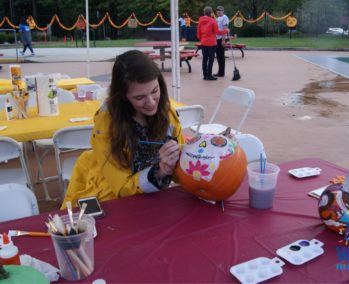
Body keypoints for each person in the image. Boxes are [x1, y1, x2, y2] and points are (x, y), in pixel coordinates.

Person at [61, 50, 184, 209]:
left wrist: (191, 159)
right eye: (139, 97)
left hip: (154, 197)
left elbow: (179, 170)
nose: (151, 102)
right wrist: (159, 171)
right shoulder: (107, 126)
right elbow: (121, 188)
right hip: (111, 198)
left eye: (154, 91)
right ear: (123, 96)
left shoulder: (168, 115)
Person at [197, 6, 229, 81]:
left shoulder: (200, 20)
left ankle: (205, 75)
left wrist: (202, 39)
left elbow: (198, 33)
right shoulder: (213, 21)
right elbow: (217, 32)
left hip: (203, 42)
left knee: (204, 58)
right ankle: (209, 75)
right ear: (211, 13)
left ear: (204, 12)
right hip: (211, 43)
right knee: (211, 59)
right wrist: (226, 31)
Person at [214, 6, 229, 77]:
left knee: (221, 56)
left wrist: (223, 40)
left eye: (220, 10)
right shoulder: (217, 18)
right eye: (217, 10)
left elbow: (225, 29)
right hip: (217, 38)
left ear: (223, 11)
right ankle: (220, 71)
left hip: (221, 39)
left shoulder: (225, 17)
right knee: (218, 56)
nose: (218, 12)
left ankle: (221, 72)